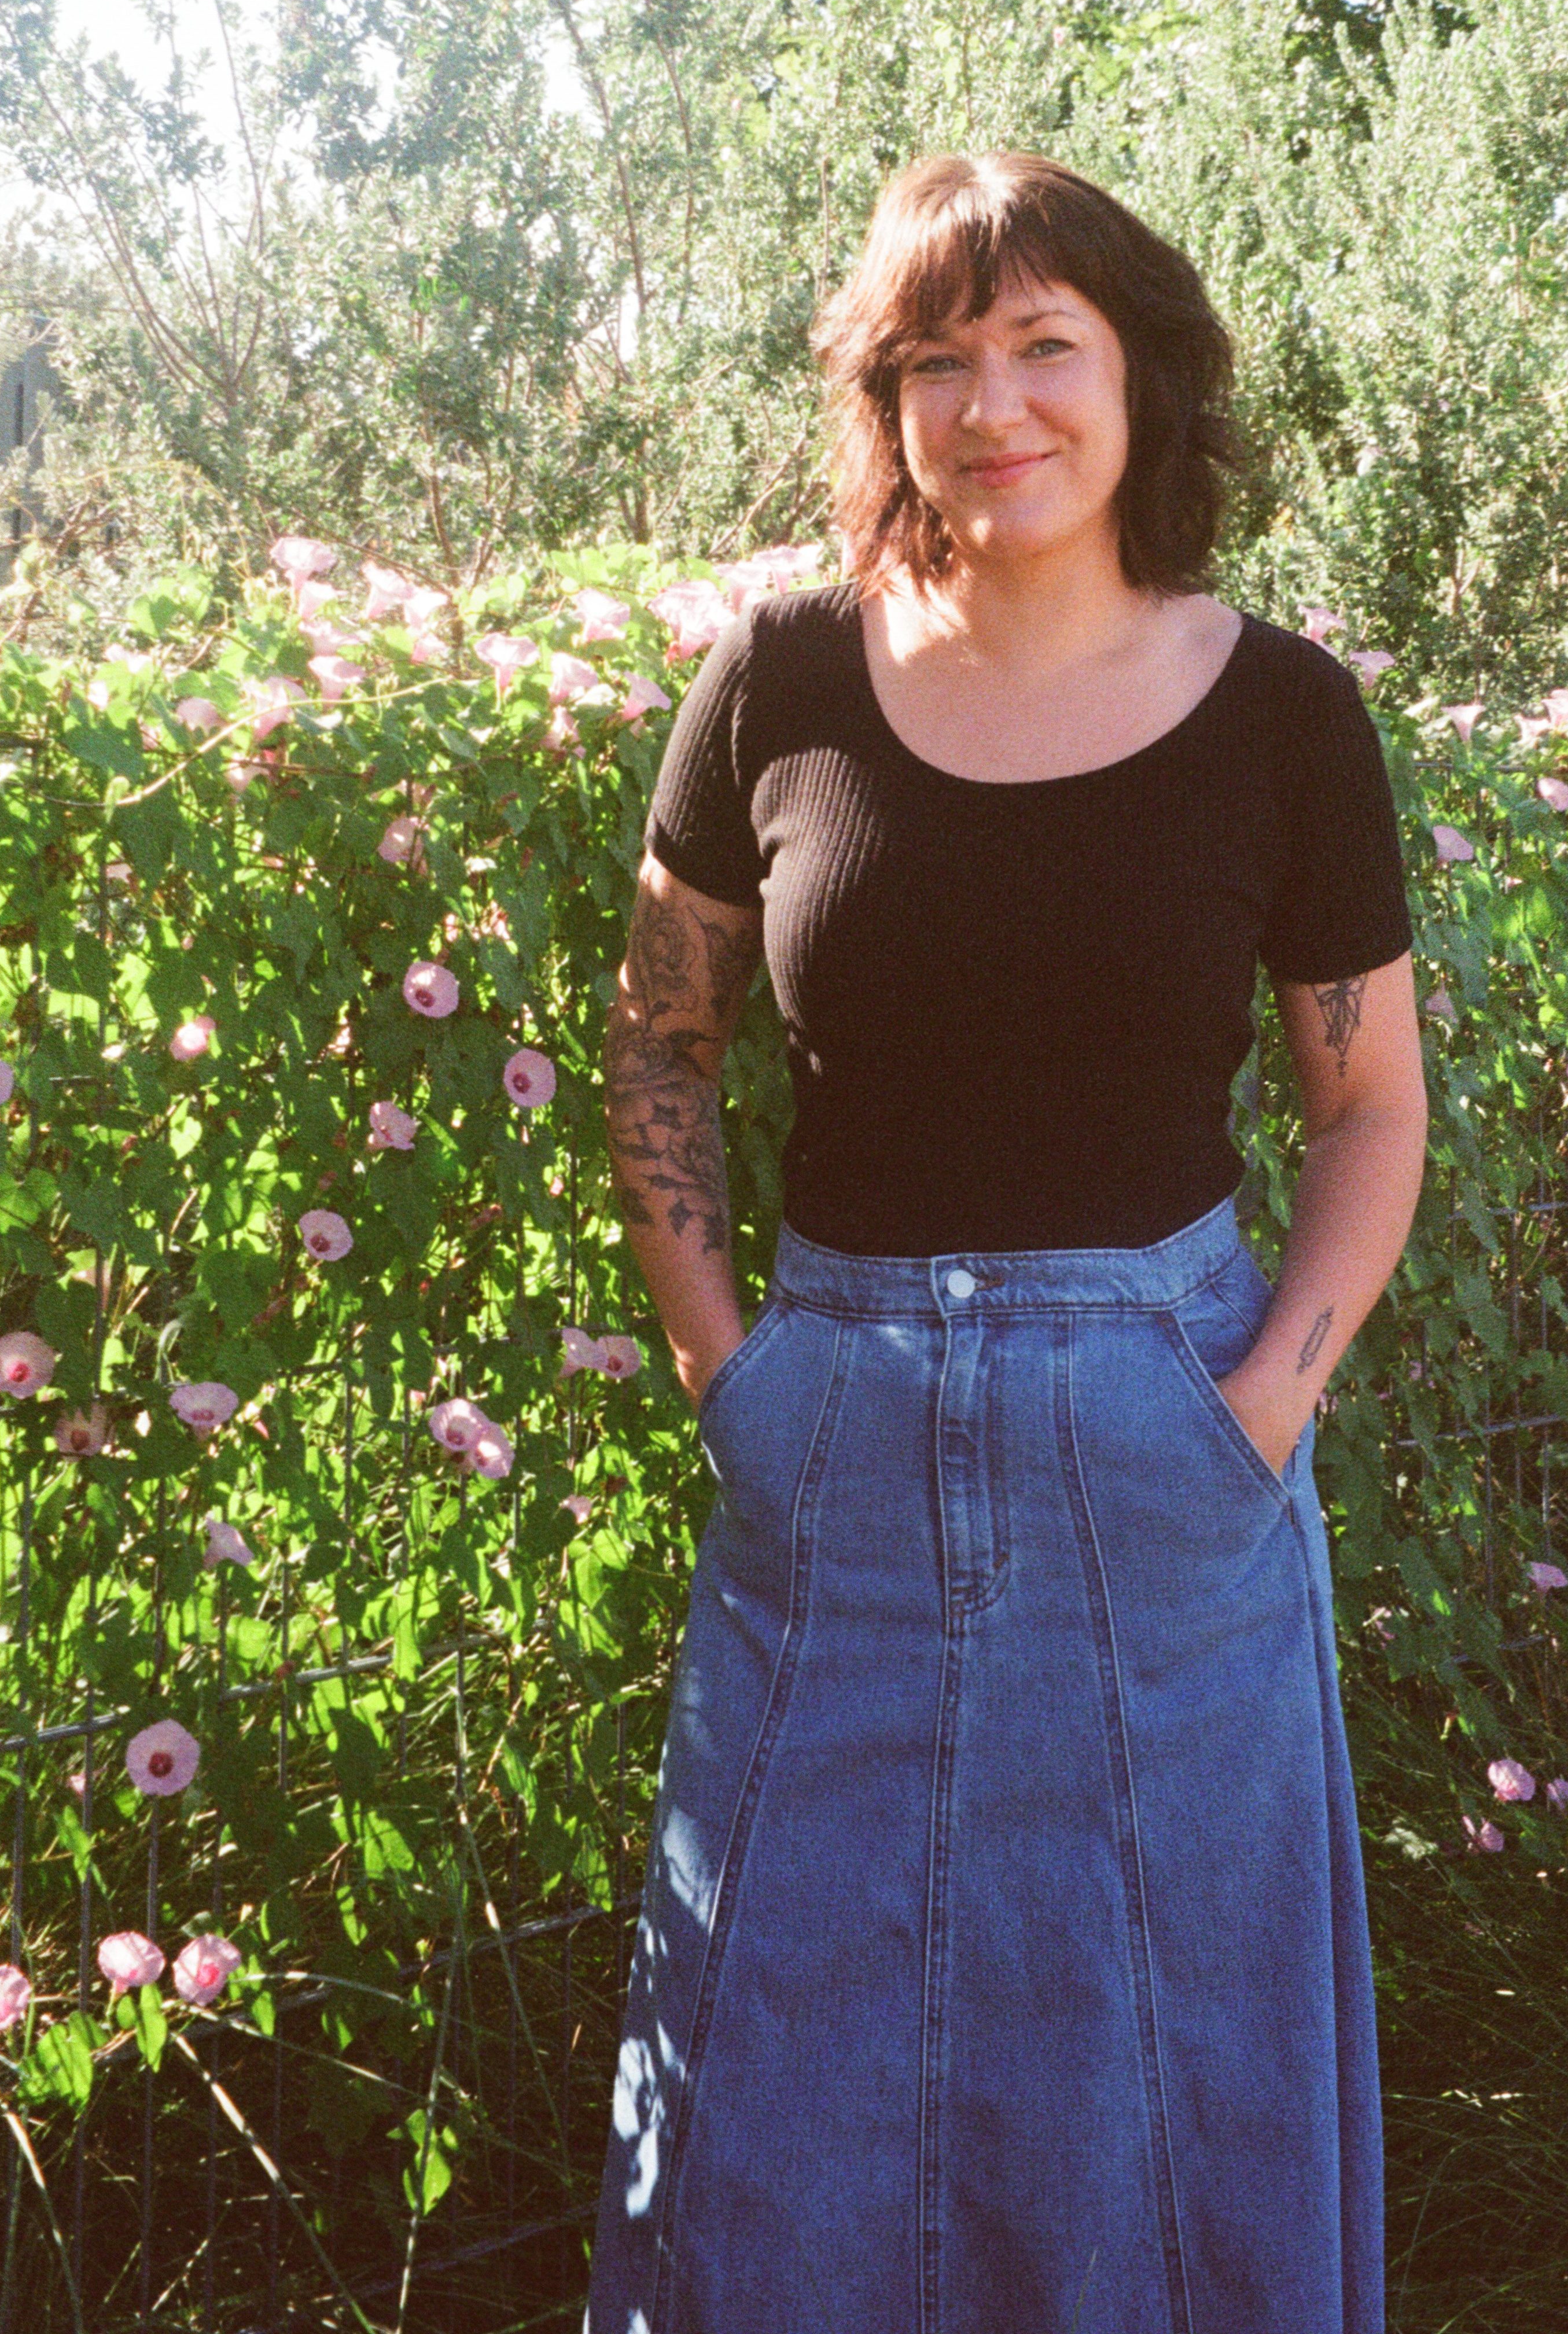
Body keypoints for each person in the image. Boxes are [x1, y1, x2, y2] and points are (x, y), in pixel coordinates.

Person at [588, 150, 1427, 2334]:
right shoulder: (777, 679)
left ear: (1142, 373)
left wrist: (1254, 1416)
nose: (992, 407)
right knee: (778, 2075)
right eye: (934, 361)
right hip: (833, 1450)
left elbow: (1366, 1110)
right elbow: (657, 1046)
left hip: (1167, 1443)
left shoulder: (1283, 717)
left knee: (1165, 2077)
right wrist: (731, 1378)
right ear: (884, 404)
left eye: (1045, 344)